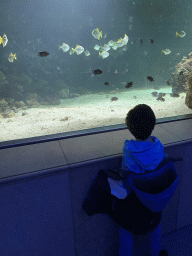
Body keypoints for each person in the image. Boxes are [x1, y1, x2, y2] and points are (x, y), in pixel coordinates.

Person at [119, 104, 168, 256]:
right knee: (156, 225)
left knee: (124, 228)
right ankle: (155, 252)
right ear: (153, 125)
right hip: (154, 199)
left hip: (134, 202)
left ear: (130, 128)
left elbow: (126, 173)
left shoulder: (129, 149)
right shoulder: (158, 146)